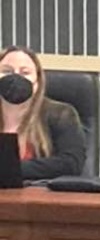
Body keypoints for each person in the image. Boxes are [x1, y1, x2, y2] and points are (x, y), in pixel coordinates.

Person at [0, 46, 85, 180]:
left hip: (42, 197)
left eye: (25, 72)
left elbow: (71, 163)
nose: (15, 77)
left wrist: (11, 170)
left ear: (37, 82)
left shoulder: (60, 115)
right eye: (7, 71)